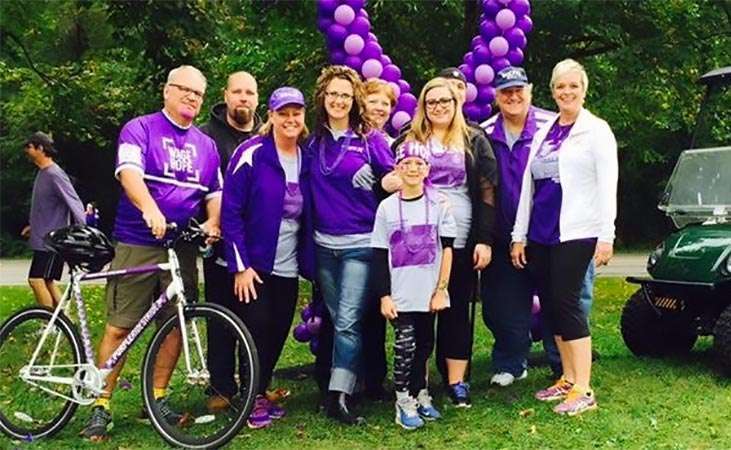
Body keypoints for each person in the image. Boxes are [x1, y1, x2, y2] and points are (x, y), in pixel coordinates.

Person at [81, 65, 222, 441]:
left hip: (181, 248)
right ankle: (100, 402)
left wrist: (213, 222)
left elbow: (214, 194)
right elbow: (129, 173)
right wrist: (149, 208)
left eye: (199, 93)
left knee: (176, 324)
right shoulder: (140, 128)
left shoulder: (206, 145)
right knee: (120, 324)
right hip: (137, 242)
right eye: (185, 90)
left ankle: (157, 398)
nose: (192, 97)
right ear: (167, 91)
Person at [511, 59, 617, 416]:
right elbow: (529, 186)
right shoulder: (544, 130)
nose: (566, 92)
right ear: (552, 91)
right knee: (552, 305)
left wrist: (607, 234)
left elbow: (608, 186)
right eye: (560, 86)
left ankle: (585, 388)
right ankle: (568, 379)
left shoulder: (597, 130)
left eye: (573, 86)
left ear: (583, 90)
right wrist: (519, 235)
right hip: (541, 233)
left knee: (568, 304)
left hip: (577, 231)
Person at [480, 66, 596, 386]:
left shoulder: (553, 125)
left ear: (530, 91)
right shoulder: (485, 132)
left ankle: (565, 365)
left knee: (564, 300)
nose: (513, 97)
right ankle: (510, 362)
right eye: (506, 92)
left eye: (519, 90)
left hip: (557, 233)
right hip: (507, 235)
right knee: (504, 305)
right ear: (496, 96)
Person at [388, 78, 498, 407]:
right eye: (431, 101)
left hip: (460, 233)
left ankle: (456, 380)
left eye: (445, 101)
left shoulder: (474, 138)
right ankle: (417, 379)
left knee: (455, 308)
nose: (438, 107)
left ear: (456, 103)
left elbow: (488, 191)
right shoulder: (408, 138)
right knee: (420, 308)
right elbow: (389, 174)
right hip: (416, 237)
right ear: (423, 104)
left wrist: (484, 239)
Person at [304, 65, 394, 425]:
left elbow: (391, 178)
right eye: (332, 94)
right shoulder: (313, 142)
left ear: (353, 99)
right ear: (323, 98)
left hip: (360, 243)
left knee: (348, 321)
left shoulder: (370, 139)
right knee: (337, 318)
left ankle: (337, 396)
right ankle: (346, 383)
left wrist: (386, 180)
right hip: (323, 246)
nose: (338, 100)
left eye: (344, 94)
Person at [221, 87, 314, 429]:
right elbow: (231, 212)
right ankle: (250, 397)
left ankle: (259, 389)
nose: (290, 119)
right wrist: (240, 265)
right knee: (255, 329)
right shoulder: (251, 153)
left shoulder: (307, 157)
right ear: (271, 116)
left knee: (276, 330)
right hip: (255, 264)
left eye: (296, 113)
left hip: (288, 264)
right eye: (283, 113)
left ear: (303, 117)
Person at [372, 142, 456, 430]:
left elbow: (447, 249)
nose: (412, 168)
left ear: (427, 169)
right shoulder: (386, 208)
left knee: (424, 346)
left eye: (419, 163)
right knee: (405, 347)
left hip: (428, 292)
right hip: (400, 293)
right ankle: (402, 399)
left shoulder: (439, 204)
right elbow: (379, 254)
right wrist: (384, 295)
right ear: (397, 168)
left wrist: (441, 288)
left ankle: (421, 392)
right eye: (406, 163)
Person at [200, 71, 262, 412]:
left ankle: (252, 383)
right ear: (225, 96)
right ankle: (221, 387)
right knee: (221, 317)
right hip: (220, 245)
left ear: (257, 98)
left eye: (249, 92)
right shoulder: (206, 138)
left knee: (254, 317)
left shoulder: (266, 136)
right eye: (237, 92)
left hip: (258, 246)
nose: (243, 98)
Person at [360, 77, 397, 399]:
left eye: (386, 103)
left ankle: (374, 378)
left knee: (375, 307)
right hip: (350, 230)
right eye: (374, 100)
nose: (381, 107)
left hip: (382, 234)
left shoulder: (390, 143)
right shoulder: (352, 138)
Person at [21, 131, 85, 308]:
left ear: (40, 148)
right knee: (47, 280)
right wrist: (32, 226)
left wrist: (83, 232)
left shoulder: (54, 174)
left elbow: (74, 202)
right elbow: (46, 207)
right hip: (43, 238)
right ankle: (64, 322)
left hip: (51, 240)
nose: (26, 150)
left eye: (29, 147)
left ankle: (49, 321)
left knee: (36, 280)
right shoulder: (43, 173)